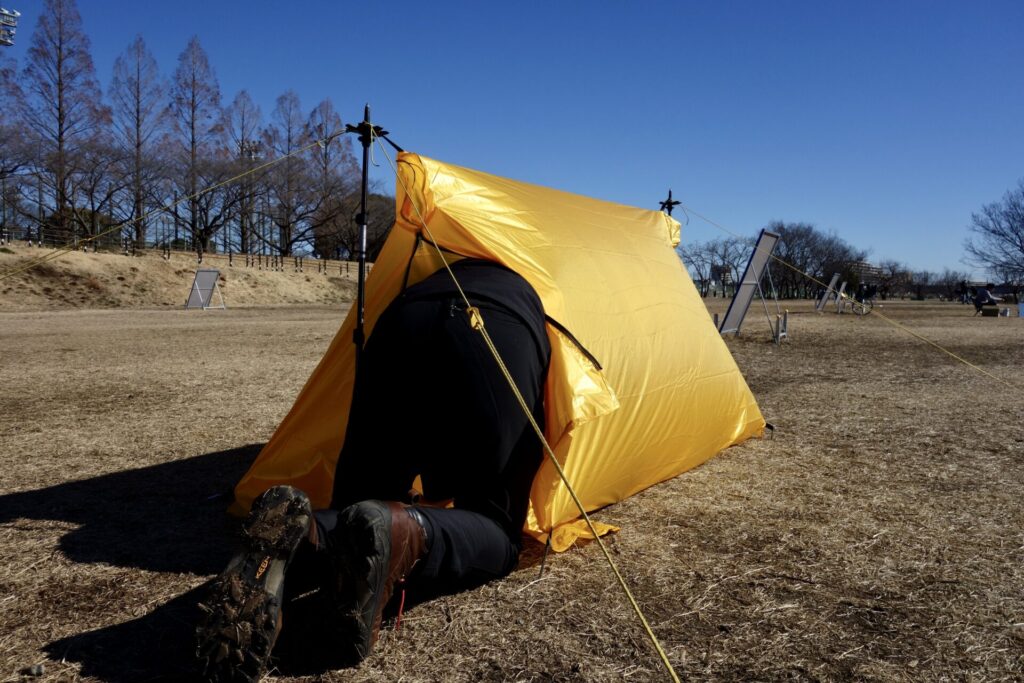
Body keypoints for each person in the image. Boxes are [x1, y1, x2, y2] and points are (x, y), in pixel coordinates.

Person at [197, 258, 551, 682]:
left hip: (401, 321)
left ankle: (307, 530)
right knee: (496, 525)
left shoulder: (436, 265)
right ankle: (407, 531)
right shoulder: (537, 273)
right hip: (498, 329)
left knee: (355, 510)